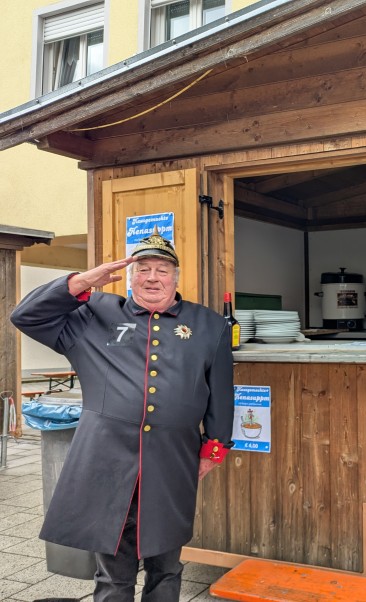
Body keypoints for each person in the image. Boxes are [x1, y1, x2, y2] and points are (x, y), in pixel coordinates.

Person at [10, 228, 234, 601]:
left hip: (173, 460)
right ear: (130, 277)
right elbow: (25, 316)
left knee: (167, 567)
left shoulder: (209, 324)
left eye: (162, 270)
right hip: (107, 460)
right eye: (143, 269)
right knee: (114, 571)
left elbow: (222, 392)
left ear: (176, 278)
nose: (152, 277)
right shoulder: (93, 312)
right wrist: (82, 281)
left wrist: (214, 447)